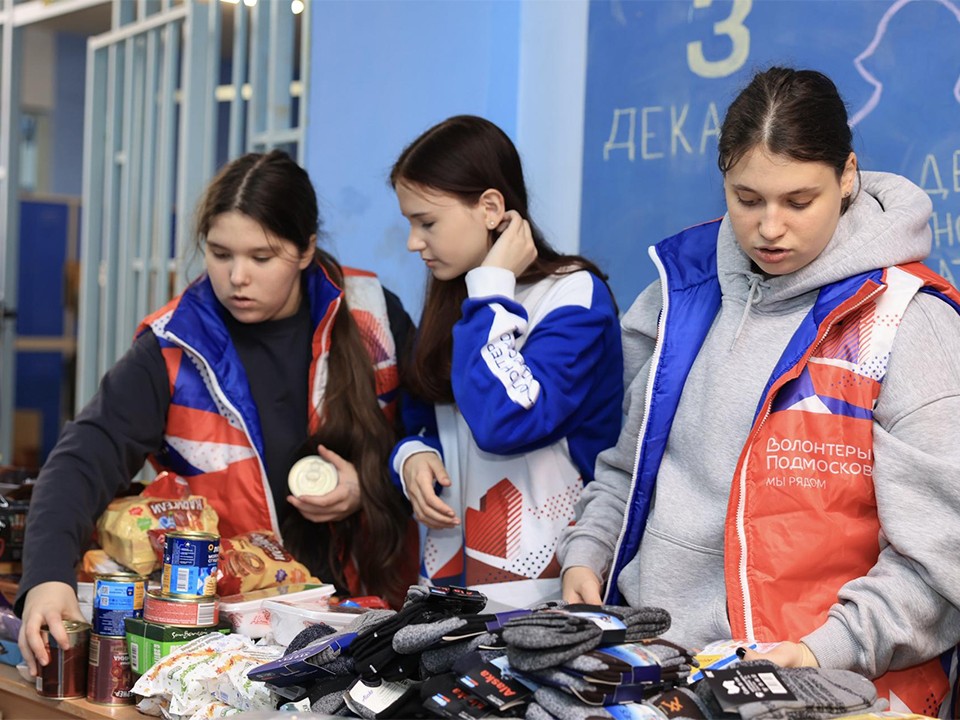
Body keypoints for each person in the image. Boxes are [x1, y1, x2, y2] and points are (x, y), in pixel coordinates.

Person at [558, 66, 960, 715]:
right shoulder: (677, 298)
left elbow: (942, 562)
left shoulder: (907, 322)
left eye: (799, 201)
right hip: (656, 673)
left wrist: (823, 647)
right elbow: (626, 470)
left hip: (823, 685)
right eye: (748, 199)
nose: (771, 226)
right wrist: (588, 553)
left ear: (847, 177)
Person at [17, 149, 418, 674]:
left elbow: (431, 451)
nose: (237, 278)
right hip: (230, 639)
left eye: (261, 256)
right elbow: (82, 459)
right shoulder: (173, 347)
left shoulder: (371, 314)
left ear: (305, 250)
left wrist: (370, 488)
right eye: (220, 253)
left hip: (370, 622)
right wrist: (46, 577)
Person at [388, 115, 624, 610]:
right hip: (448, 587)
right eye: (409, 223)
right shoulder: (462, 297)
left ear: (491, 208)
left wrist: (493, 287)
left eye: (427, 222)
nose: (414, 242)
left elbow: (507, 421)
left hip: (549, 586)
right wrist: (411, 456)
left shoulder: (573, 294)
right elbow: (420, 419)